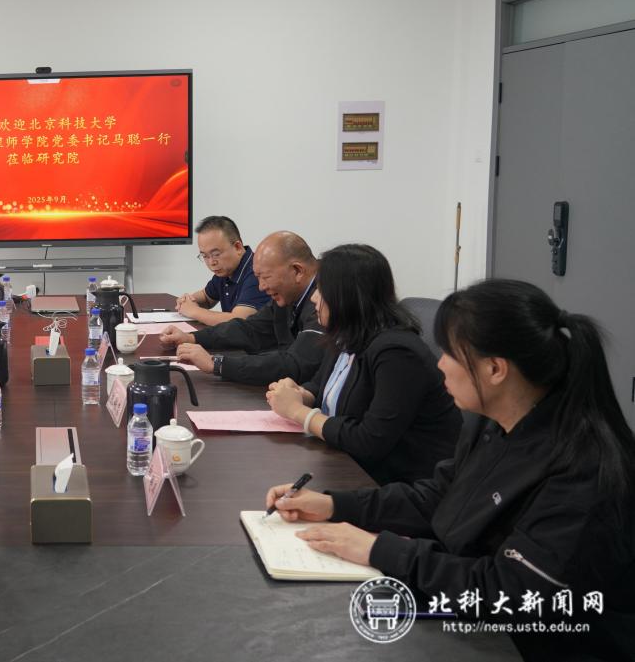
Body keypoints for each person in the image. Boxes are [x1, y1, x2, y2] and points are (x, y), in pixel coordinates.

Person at [265, 280, 635, 660]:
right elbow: (440, 496)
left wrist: (379, 550)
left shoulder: (583, 468)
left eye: (450, 354)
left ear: (495, 369)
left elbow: (508, 590)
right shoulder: (492, 422)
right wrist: (333, 505)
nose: (439, 363)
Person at [264, 244, 461, 484]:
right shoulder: (347, 335)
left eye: (321, 290)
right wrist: (299, 394)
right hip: (348, 467)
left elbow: (368, 441)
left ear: (346, 296)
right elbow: (320, 386)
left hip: (398, 486)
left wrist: (298, 412)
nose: (314, 297)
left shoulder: (397, 354)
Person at [166, 230, 323, 385]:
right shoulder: (287, 294)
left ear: (297, 271)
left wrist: (216, 364)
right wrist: (192, 338)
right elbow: (250, 329)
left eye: (266, 277)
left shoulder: (324, 301)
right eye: (258, 278)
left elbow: (294, 364)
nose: (261, 287)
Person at [175, 216, 271, 327]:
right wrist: (187, 301)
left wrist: (194, 311)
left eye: (216, 254)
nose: (211, 262)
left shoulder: (257, 273)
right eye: (204, 256)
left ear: (238, 247)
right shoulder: (225, 270)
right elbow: (206, 298)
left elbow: (237, 322)